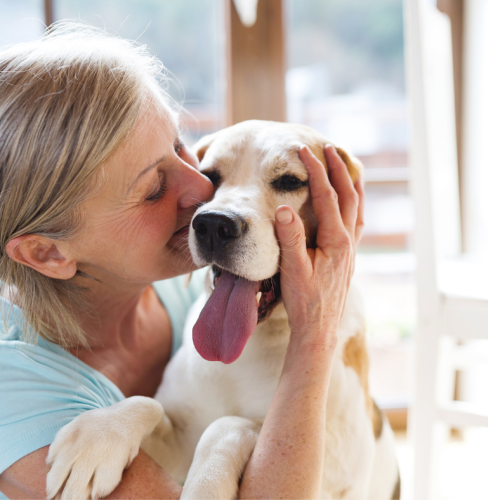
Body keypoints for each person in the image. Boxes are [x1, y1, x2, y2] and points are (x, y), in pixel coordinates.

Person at [0, 23, 363, 500]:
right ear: (47, 251)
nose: (203, 194)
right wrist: (315, 333)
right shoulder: (14, 395)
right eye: (152, 189)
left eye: (180, 149)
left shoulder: (185, 286)